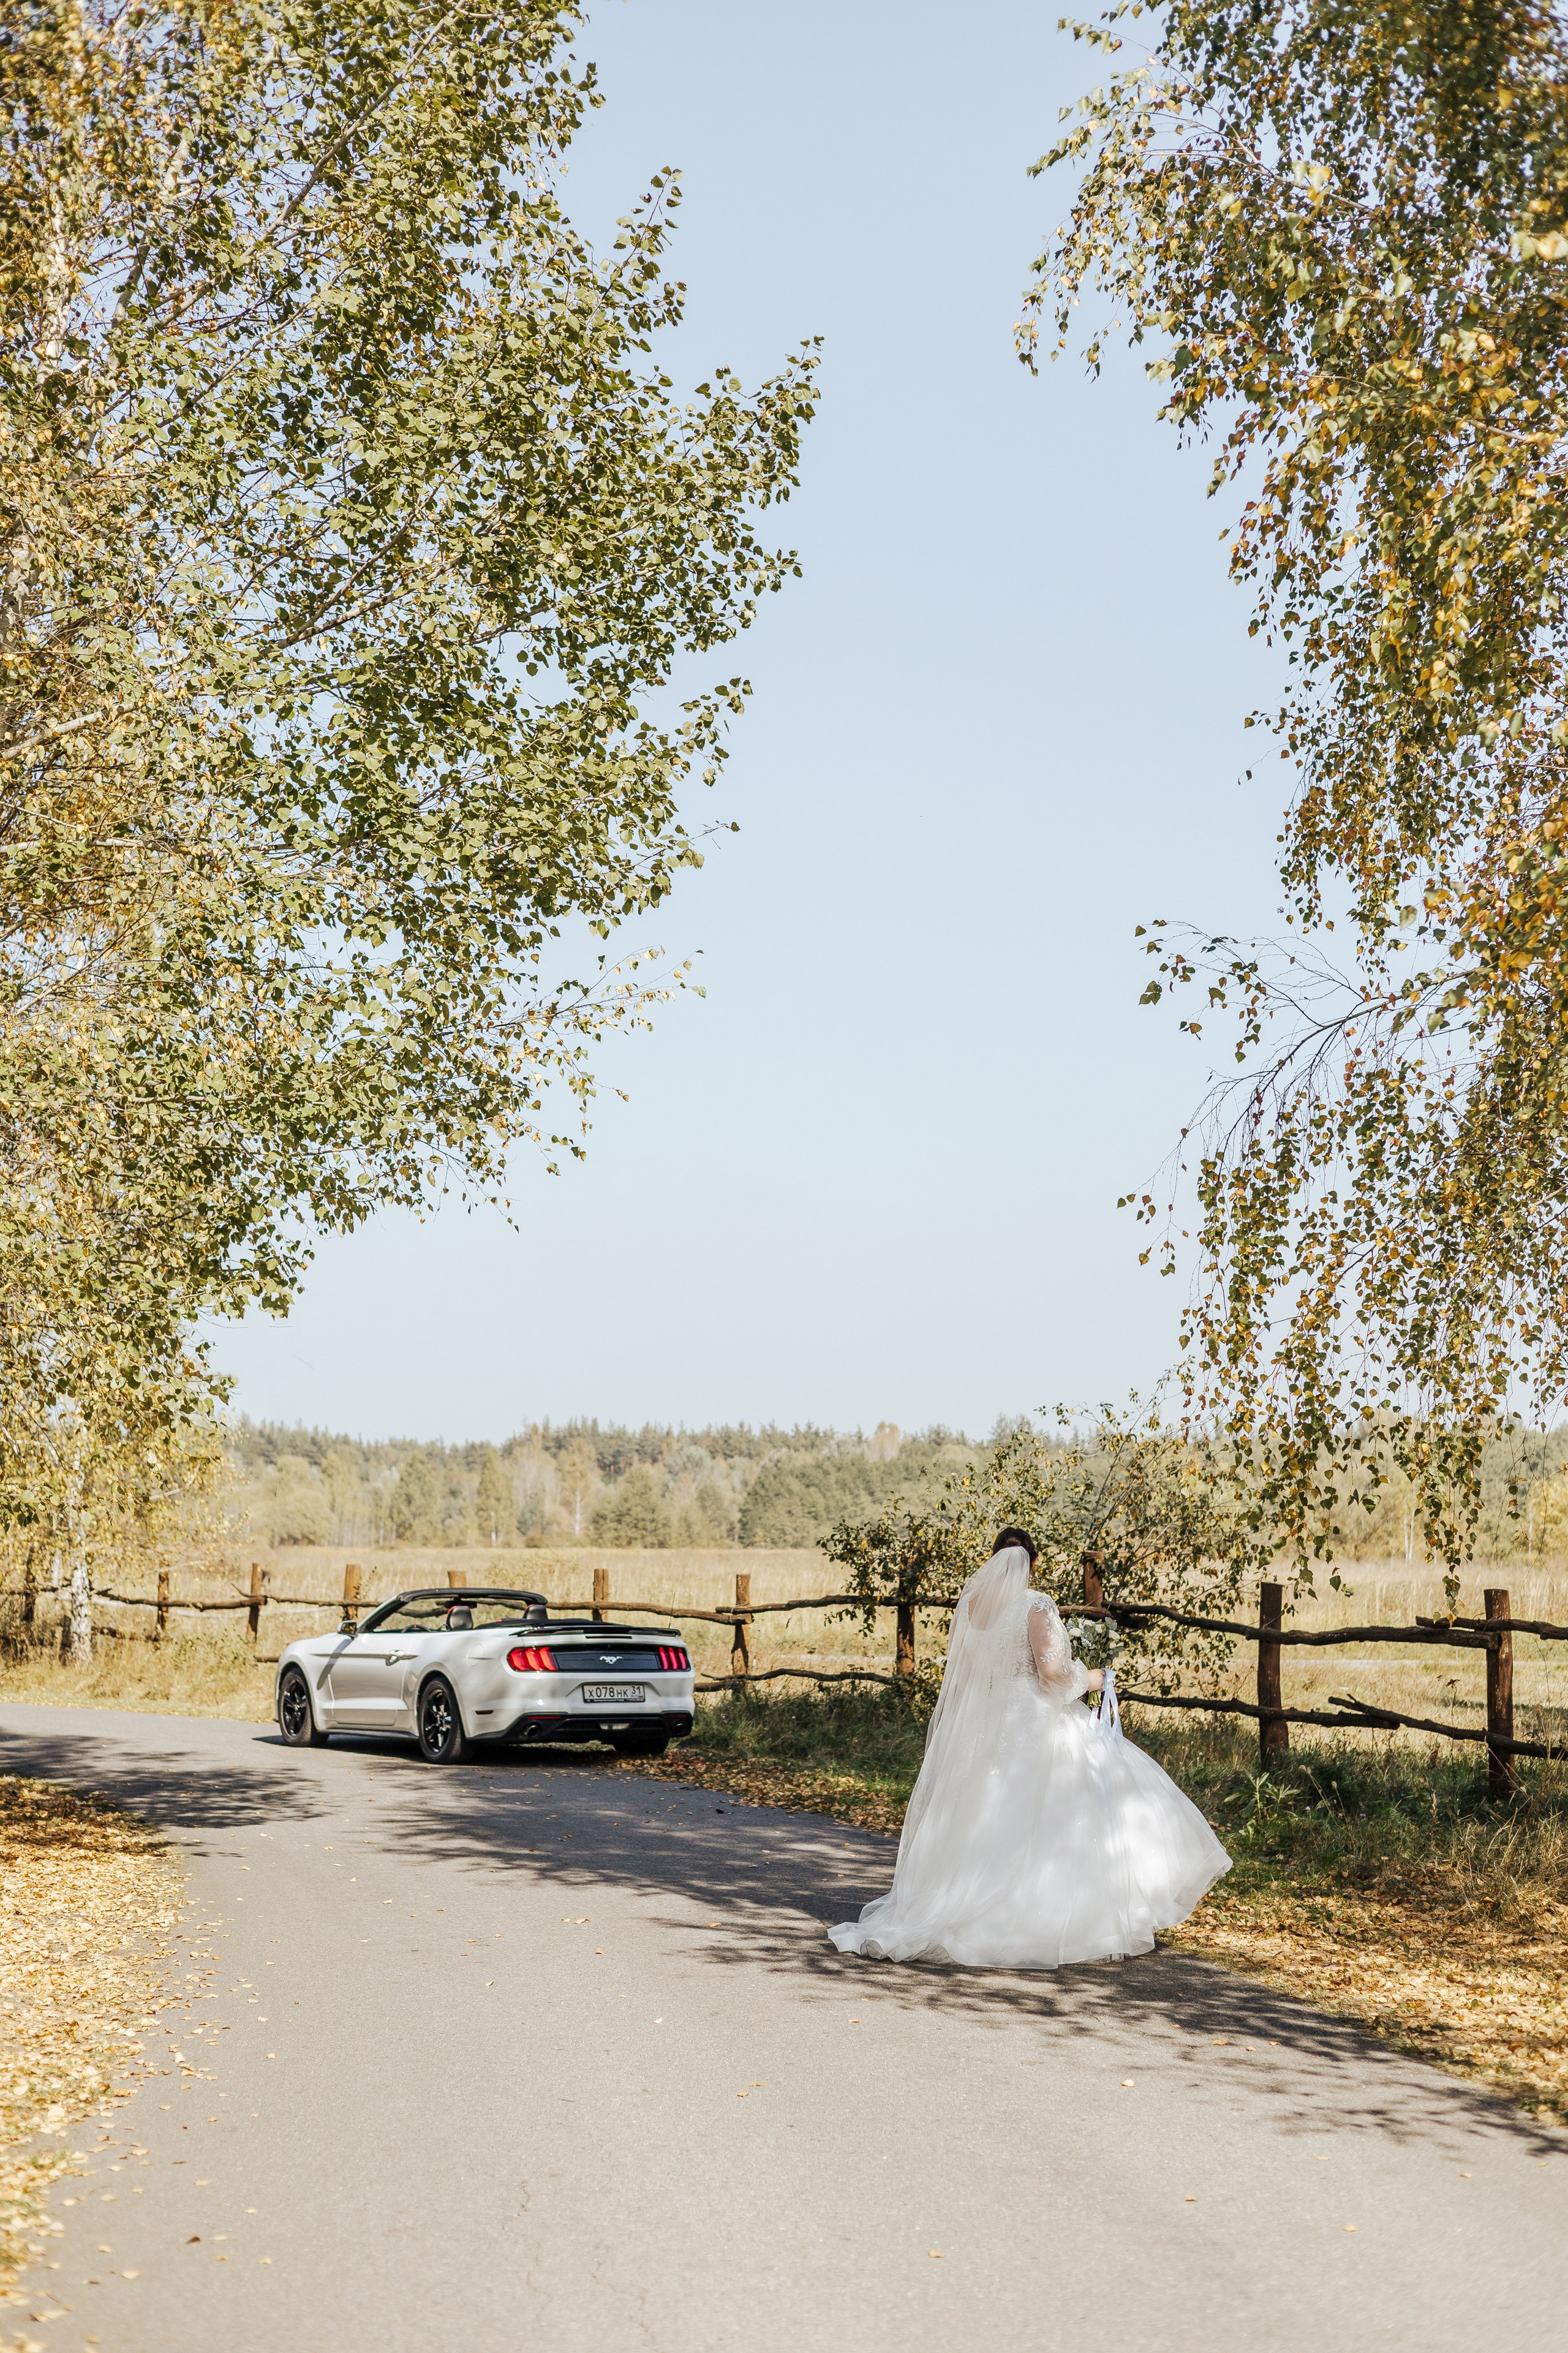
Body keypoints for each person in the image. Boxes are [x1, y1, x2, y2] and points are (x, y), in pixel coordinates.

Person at [829, 1528, 1230, 1969]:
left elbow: (964, 1675)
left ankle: (967, 1904)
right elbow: (1052, 1672)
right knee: (1081, 1797)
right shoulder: (1035, 1604)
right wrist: (1094, 1678)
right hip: (1033, 1716)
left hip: (985, 1719)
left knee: (987, 1809)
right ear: (1032, 1563)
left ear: (994, 1560)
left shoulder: (973, 1607)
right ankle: (1056, 1916)